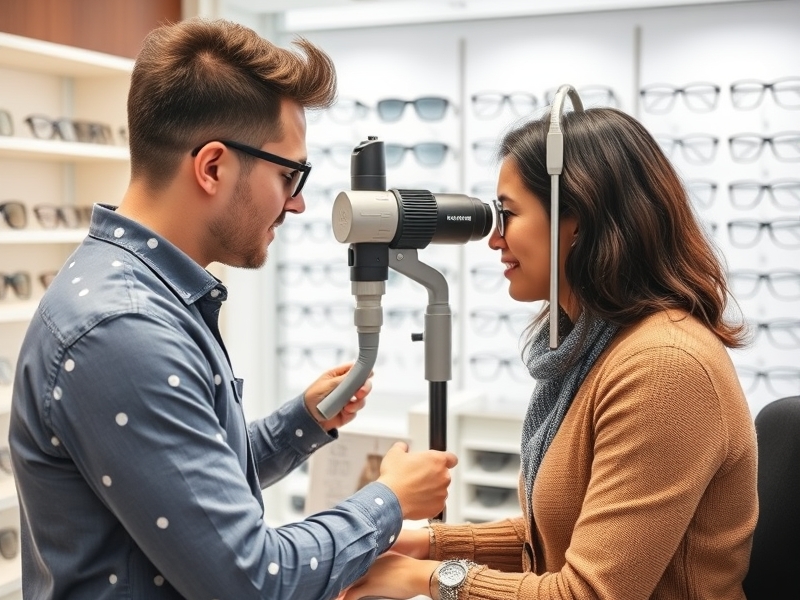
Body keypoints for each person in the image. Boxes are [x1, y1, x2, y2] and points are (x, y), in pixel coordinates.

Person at [9, 18, 457, 600]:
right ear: (213, 166)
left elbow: (189, 486)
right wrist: (389, 500)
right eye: (288, 174)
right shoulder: (124, 330)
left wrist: (301, 423)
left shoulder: (145, 295)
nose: (295, 204)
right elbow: (251, 581)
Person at [342, 107, 758, 599]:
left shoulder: (665, 368)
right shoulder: (591, 348)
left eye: (509, 214)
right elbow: (556, 533)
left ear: (576, 219)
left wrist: (428, 579)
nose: (494, 238)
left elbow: (589, 593)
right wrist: (425, 543)